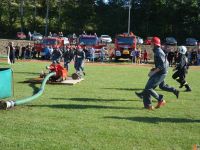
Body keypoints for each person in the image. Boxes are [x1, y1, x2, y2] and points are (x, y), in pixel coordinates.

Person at [135, 37, 178, 110]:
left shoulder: (158, 51)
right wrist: (153, 69)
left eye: (151, 43)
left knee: (149, 88)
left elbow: (162, 65)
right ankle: (148, 106)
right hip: (159, 72)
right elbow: (161, 64)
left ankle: (160, 100)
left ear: (154, 44)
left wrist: (153, 72)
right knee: (147, 89)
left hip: (161, 73)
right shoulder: (157, 50)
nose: (150, 44)